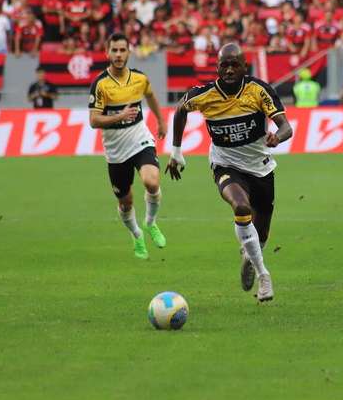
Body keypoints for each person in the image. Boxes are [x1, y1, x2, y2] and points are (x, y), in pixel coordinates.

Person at [165, 43, 293, 302]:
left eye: (235, 64)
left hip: (260, 167)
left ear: (245, 66)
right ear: (217, 67)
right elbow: (180, 111)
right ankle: (263, 275)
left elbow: (286, 127)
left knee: (262, 232)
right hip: (226, 165)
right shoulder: (204, 95)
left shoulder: (259, 90)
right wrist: (176, 151)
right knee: (241, 207)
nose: (230, 69)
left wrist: (276, 138)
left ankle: (249, 254)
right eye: (225, 64)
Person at [88, 33, 168, 260]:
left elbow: (151, 96)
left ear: (129, 53)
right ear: (107, 52)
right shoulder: (100, 84)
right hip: (115, 150)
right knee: (126, 202)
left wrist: (161, 121)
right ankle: (136, 233)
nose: (119, 54)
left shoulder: (139, 78)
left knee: (151, 182)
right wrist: (120, 115)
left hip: (139, 139)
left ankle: (151, 222)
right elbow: (94, 121)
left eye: (123, 50)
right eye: (114, 50)